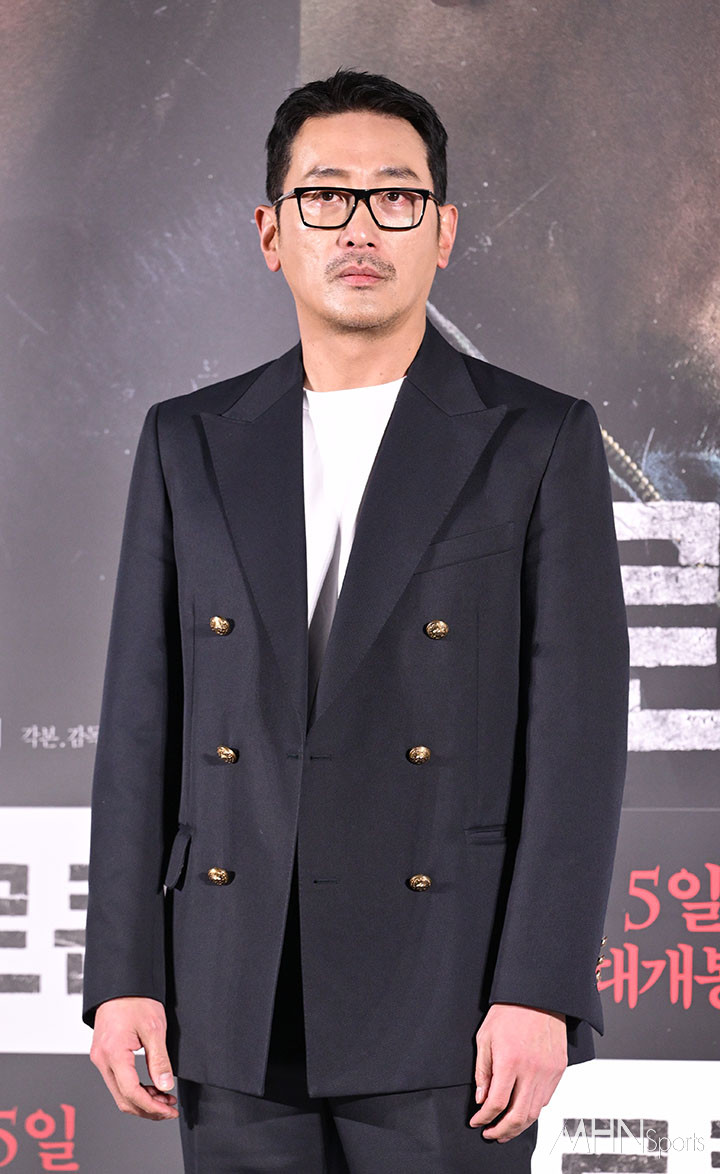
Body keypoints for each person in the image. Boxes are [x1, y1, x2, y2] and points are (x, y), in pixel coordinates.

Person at [82, 69, 630, 1172]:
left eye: (398, 196)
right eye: (327, 194)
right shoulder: (191, 438)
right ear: (271, 231)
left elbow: (575, 740)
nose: (361, 226)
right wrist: (124, 975)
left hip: (450, 991)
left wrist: (540, 988)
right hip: (231, 985)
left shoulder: (535, 437)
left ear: (445, 230)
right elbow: (143, 726)